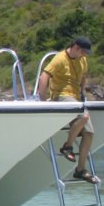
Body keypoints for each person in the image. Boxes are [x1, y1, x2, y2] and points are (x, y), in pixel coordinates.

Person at [37, 36, 99, 184]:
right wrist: (43, 99)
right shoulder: (59, 59)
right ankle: (67, 146)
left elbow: (83, 77)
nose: (84, 55)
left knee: (89, 133)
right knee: (84, 117)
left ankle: (80, 170)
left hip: (76, 98)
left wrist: (82, 94)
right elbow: (44, 76)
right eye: (83, 52)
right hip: (61, 95)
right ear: (76, 47)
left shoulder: (83, 60)